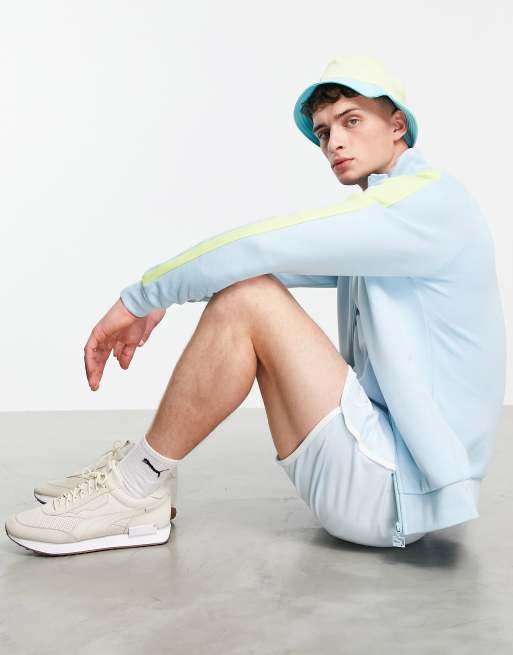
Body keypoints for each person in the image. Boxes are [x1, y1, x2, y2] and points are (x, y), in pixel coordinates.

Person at [5, 55, 506, 556]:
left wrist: (141, 297)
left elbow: (263, 246)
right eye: (323, 132)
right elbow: (260, 261)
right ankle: (141, 471)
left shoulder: (424, 205)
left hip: (391, 490)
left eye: (351, 121)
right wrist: (161, 299)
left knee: (250, 297)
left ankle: (137, 485)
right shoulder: (394, 216)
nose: (334, 142)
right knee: (247, 286)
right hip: (375, 474)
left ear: (397, 125)